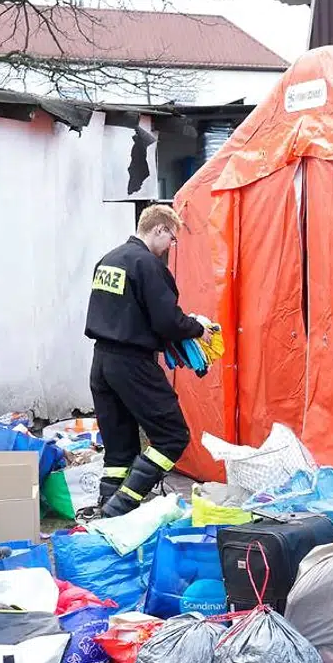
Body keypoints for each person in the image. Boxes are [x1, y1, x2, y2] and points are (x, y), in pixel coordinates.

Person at [85, 204, 210, 517]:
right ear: (160, 229)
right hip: (133, 363)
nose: (171, 246)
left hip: (101, 363)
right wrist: (199, 329)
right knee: (172, 436)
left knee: (120, 449)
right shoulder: (147, 265)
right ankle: (120, 509)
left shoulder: (108, 260)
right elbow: (167, 320)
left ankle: (106, 513)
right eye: (172, 238)